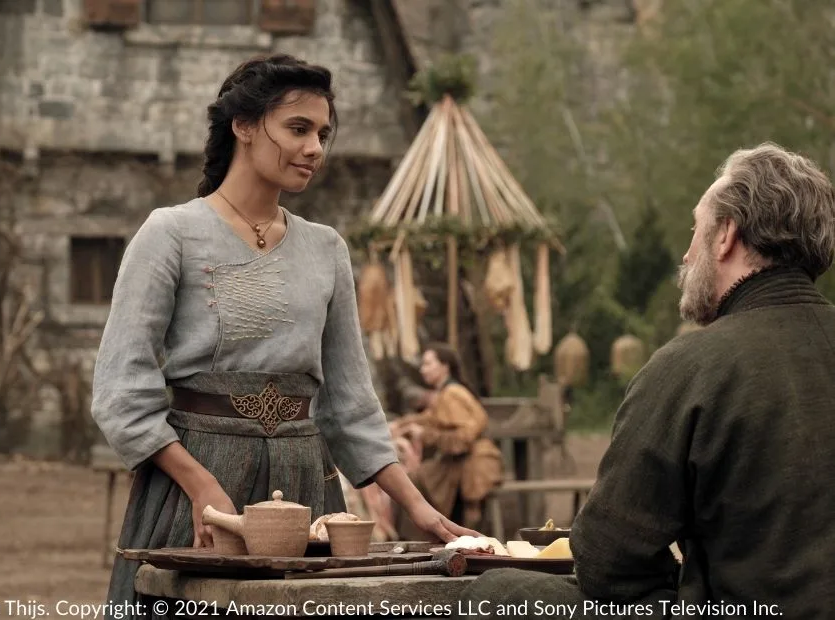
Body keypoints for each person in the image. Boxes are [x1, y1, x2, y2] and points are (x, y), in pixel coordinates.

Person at [90, 54, 476, 616]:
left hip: (304, 485)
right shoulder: (171, 234)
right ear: (243, 127)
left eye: (322, 133)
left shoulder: (327, 249)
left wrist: (420, 508)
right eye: (298, 129)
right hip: (199, 480)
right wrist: (203, 490)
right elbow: (121, 391)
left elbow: (349, 404)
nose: (316, 148)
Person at [454, 142, 835, 620]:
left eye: (696, 229)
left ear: (726, 237)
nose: (686, 250)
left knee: (499, 592)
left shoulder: (691, 366)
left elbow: (608, 562)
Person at [391, 343, 503, 532]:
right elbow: (428, 418)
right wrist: (400, 426)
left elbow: (463, 439)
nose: (422, 369)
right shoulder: (445, 393)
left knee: (412, 482)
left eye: (428, 364)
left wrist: (425, 435)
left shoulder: (452, 393)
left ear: (445, 367)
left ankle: (419, 539)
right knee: (414, 478)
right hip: (459, 460)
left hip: (470, 463)